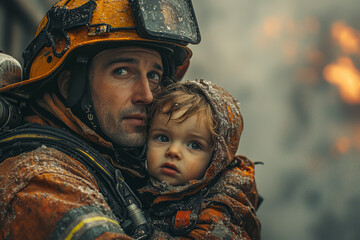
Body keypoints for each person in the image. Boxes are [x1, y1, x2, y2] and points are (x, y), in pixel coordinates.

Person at [0, 0, 203, 239]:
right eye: (122, 71)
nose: (147, 96)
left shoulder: (117, 162)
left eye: (153, 75)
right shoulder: (40, 179)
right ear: (70, 87)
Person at [140, 79, 261, 239]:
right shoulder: (133, 181)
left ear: (216, 158)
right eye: (162, 138)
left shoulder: (220, 211)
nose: (173, 151)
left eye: (194, 145)